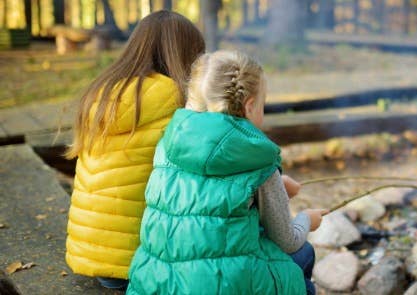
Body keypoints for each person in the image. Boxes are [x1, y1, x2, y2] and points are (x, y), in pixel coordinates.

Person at [126, 50, 327, 295]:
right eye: (263, 103)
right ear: (250, 106)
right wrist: (307, 218)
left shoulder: (168, 145)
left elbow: (209, 199)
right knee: (303, 255)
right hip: (220, 286)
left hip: (155, 283)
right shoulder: (258, 160)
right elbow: (286, 241)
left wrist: (278, 188)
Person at [64, 11, 205, 290]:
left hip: (91, 255)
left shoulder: (104, 94)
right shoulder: (175, 104)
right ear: (186, 55)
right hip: (141, 263)